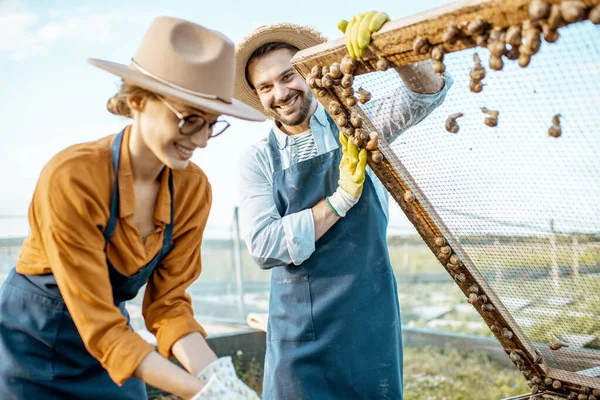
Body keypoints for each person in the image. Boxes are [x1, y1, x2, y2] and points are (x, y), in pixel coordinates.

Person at [0, 16, 263, 400]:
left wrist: (221, 381)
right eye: (190, 120)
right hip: (31, 350)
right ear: (137, 100)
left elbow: (169, 306)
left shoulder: (192, 190)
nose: (202, 141)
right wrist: (203, 393)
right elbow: (101, 326)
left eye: (212, 125)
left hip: (113, 348)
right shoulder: (73, 177)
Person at [234, 12, 453, 399]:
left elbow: (425, 95)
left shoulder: (356, 124)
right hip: (296, 330)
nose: (280, 93)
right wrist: (339, 202)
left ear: (310, 72)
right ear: (257, 95)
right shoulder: (258, 159)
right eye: (265, 86)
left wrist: (390, 46)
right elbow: (265, 246)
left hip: (369, 316)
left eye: (288, 76)